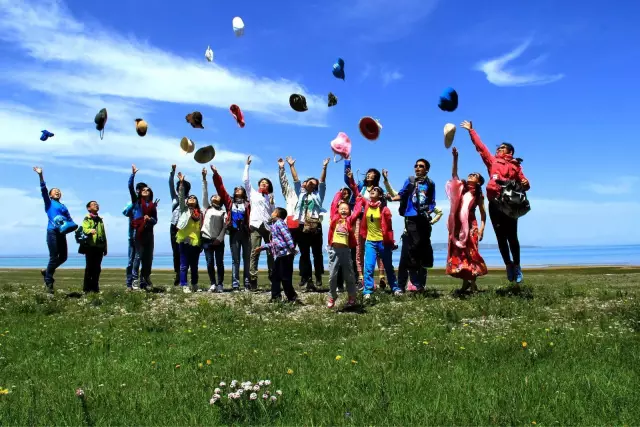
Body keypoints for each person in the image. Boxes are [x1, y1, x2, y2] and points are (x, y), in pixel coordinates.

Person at [461, 120, 530, 284]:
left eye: (502, 148)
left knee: (512, 236)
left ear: (510, 151)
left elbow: (523, 183)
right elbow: (481, 148)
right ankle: (508, 264)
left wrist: (526, 183)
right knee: (501, 237)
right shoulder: (493, 161)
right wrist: (471, 131)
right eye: (498, 148)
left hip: (510, 205)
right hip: (495, 203)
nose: (498, 149)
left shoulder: (515, 166)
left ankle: (517, 265)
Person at [382, 169, 442, 291]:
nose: (418, 168)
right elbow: (395, 194)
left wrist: (431, 220)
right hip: (408, 231)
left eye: (421, 166)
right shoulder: (408, 193)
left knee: (420, 258)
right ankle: (401, 286)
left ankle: (419, 285)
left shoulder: (427, 189)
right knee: (405, 259)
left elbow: (438, 210)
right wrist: (386, 181)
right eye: (416, 166)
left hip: (422, 228)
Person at [347, 169, 401, 299]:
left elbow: (389, 227)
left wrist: (391, 242)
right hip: (370, 241)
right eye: (371, 191)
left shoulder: (384, 209)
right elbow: (356, 192)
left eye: (375, 190)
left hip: (383, 241)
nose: (372, 191)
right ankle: (368, 290)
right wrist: (351, 179)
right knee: (369, 267)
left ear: (380, 195)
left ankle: (395, 287)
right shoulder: (366, 205)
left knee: (388, 266)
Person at [445, 147, 488, 293]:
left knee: (472, 252)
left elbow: (483, 214)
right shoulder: (461, 189)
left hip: (471, 225)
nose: (471, 175)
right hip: (457, 225)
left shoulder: (478, 196)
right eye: (471, 173)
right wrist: (455, 158)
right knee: (461, 253)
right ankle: (465, 284)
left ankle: (473, 283)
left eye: (475, 175)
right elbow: (454, 175)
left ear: (479, 182)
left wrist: (482, 229)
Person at [343, 156, 386, 289]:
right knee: (358, 249)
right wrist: (347, 163)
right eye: (368, 173)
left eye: (372, 174)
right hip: (359, 219)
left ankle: (382, 276)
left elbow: (383, 206)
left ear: (376, 177)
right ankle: (361, 278)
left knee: (378, 248)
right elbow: (349, 181)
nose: (369, 175)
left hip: (374, 221)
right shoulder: (360, 187)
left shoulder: (379, 190)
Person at [291, 157, 329, 290]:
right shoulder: (301, 194)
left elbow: (323, 182)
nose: (311, 184)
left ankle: (318, 276)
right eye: (309, 183)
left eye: (314, 183)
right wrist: (291, 166)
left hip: (315, 226)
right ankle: (306, 277)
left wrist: (324, 168)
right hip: (302, 226)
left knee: (317, 253)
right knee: (304, 254)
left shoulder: (319, 195)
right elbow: (296, 181)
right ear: (305, 185)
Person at [34, 166, 73, 294]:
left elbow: (69, 220)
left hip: (61, 233)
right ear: (50, 195)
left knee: (64, 257)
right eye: (55, 191)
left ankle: (47, 271)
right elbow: (43, 190)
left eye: (59, 191)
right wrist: (41, 175)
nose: (57, 192)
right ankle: (49, 283)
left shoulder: (63, 206)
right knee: (53, 257)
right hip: (52, 232)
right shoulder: (49, 203)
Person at [212, 164, 251, 291]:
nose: (238, 189)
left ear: (244, 192)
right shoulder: (229, 202)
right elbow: (221, 189)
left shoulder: (248, 204)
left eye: (240, 189)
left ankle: (247, 283)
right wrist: (216, 174)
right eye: (236, 189)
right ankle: (235, 284)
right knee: (235, 260)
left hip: (245, 233)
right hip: (234, 232)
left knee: (246, 259)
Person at [244, 155, 275, 290]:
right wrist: (247, 165)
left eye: (266, 182)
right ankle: (253, 280)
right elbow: (246, 180)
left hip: (268, 227)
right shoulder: (253, 194)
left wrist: (273, 204)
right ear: (258, 185)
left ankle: (273, 278)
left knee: (271, 252)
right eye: (262, 182)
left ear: (269, 186)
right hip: (256, 225)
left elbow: (273, 214)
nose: (264, 183)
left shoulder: (270, 197)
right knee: (254, 252)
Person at [254, 207, 298, 303]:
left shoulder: (280, 223)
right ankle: (275, 297)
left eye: (274, 212)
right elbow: (274, 243)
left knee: (285, 277)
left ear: (277, 214)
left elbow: (287, 236)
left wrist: (292, 248)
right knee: (275, 276)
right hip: (279, 255)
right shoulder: (274, 225)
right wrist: (262, 247)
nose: (272, 213)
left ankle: (292, 296)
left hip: (285, 254)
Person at [326, 196, 359, 308]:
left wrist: (358, 197)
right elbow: (334, 204)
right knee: (332, 275)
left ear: (350, 211)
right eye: (341, 209)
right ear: (337, 210)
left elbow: (358, 210)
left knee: (349, 275)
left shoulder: (350, 220)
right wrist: (340, 193)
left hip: (345, 250)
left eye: (346, 209)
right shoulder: (334, 219)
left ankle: (352, 297)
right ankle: (332, 296)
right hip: (334, 250)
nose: (344, 210)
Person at [128, 164, 157, 290]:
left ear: (150, 193)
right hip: (138, 232)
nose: (145, 190)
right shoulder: (136, 202)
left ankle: (144, 280)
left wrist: (149, 219)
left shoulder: (152, 206)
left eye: (147, 190)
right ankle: (134, 280)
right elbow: (130, 187)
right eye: (143, 189)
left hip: (149, 233)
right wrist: (133, 174)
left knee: (148, 257)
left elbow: (155, 220)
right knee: (138, 256)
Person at [176, 172, 202, 293]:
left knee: (194, 265)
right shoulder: (184, 210)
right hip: (184, 239)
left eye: (194, 198)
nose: (192, 199)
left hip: (196, 240)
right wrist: (181, 183)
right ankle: (184, 284)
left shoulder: (200, 214)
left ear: (197, 202)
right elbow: (181, 197)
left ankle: (195, 284)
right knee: (184, 264)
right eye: (190, 198)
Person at [201, 167, 227, 293]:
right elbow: (204, 193)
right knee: (210, 262)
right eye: (213, 196)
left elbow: (225, 227)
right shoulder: (206, 208)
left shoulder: (223, 212)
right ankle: (213, 283)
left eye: (217, 196)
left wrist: (219, 239)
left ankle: (220, 284)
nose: (215, 197)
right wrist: (204, 178)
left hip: (219, 241)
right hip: (206, 239)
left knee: (220, 263)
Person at [330, 185, 358, 293]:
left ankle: (352, 285)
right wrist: (338, 193)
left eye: (347, 192)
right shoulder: (337, 207)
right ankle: (339, 285)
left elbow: (355, 215)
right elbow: (333, 205)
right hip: (337, 239)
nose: (344, 193)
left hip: (349, 238)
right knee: (338, 264)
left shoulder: (351, 206)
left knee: (351, 262)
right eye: (343, 192)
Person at [169, 164, 191, 286]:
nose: (179, 188)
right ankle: (178, 273)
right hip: (173, 226)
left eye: (181, 186)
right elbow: (170, 184)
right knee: (175, 252)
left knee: (184, 251)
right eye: (178, 186)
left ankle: (183, 274)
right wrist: (172, 172)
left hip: (184, 228)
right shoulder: (174, 198)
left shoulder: (189, 200)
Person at [122, 181, 146, 290]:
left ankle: (138, 282)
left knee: (139, 259)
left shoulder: (145, 204)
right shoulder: (131, 202)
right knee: (130, 260)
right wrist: (133, 202)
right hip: (131, 235)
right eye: (141, 189)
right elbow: (125, 212)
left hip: (141, 235)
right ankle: (129, 283)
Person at [80, 201, 108, 293]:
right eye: (93, 204)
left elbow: (103, 234)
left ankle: (95, 288)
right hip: (90, 246)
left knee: (97, 268)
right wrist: (89, 231)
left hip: (99, 247)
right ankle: (87, 289)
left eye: (97, 204)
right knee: (89, 268)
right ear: (88, 208)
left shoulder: (100, 220)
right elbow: (84, 229)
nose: (96, 205)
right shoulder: (87, 219)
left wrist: (105, 247)